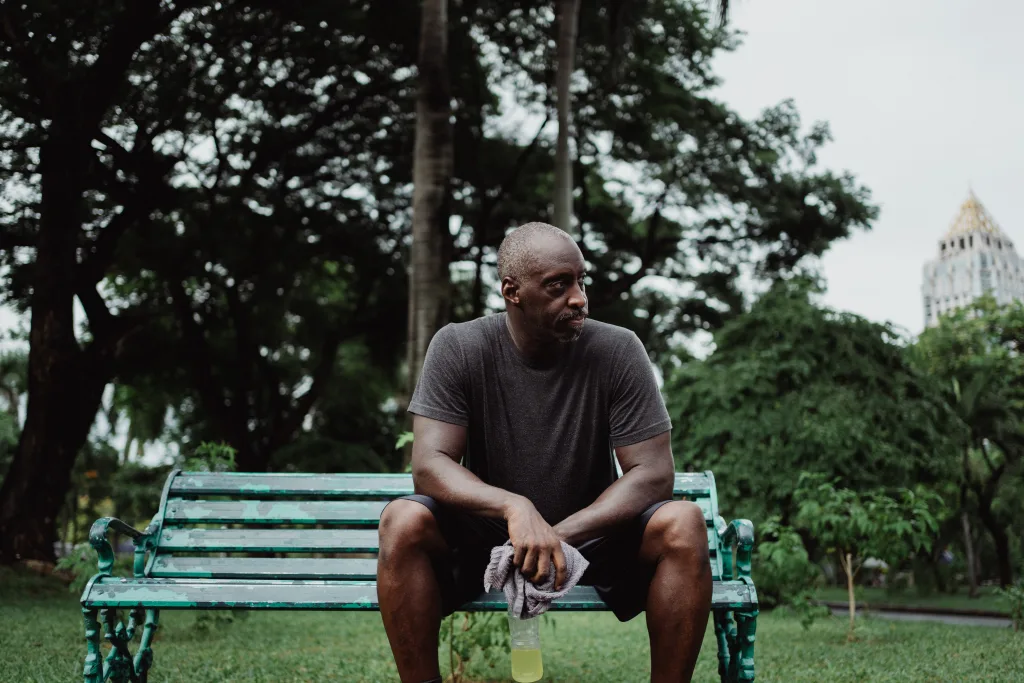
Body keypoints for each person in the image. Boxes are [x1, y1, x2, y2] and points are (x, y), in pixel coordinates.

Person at [378, 222, 712, 683]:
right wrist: (515, 507)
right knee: (403, 519)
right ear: (512, 291)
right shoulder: (458, 346)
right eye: (559, 285)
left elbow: (652, 473)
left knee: (684, 522)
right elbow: (429, 465)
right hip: (484, 541)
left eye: (581, 281)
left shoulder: (618, 350)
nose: (578, 298)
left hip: (596, 537)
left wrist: (556, 534)